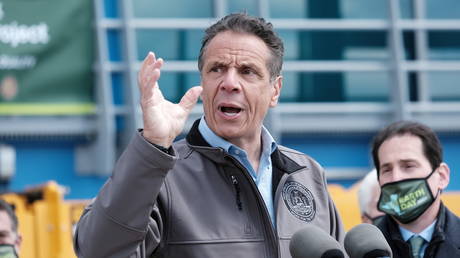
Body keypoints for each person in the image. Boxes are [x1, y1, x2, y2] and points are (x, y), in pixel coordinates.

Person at [74, 13, 345, 258]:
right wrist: (153, 144)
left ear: (275, 90)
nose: (229, 83)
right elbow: (97, 250)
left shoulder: (307, 173)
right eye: (217, 69)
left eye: (247, 72)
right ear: (203, 80)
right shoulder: (159, 175)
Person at [371, 120, 460, 258]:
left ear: (441, 176)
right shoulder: (360, 251)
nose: (396, 178)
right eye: (387, 170)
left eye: (408, 166)